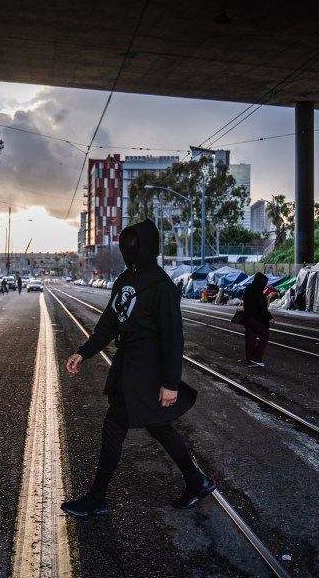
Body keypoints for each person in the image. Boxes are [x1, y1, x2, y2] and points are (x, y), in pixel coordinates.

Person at [61, 219, 214, 518]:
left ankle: (97, 497)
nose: (130, 249)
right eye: (126, 244)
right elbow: (108, 324)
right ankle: (196, 481)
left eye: (136, 244)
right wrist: (84, 352)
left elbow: (174, 338)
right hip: (128, 364)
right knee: (158, 425)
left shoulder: (162, 287)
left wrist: (171, 382)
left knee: (114, 427)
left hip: (147, 366)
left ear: (148, 247)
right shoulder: (123, 281)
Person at [243, 272, 275, 367]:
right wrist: (270, 318)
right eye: (264, 283)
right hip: (255, 318)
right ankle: (256, 358)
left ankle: (250, 361)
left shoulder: (249, 289)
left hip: (247, 318)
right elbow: (262, 308)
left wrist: (265, 298)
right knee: (265, 334)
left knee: (250, 338)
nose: (264, 285)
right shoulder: (258, 292)